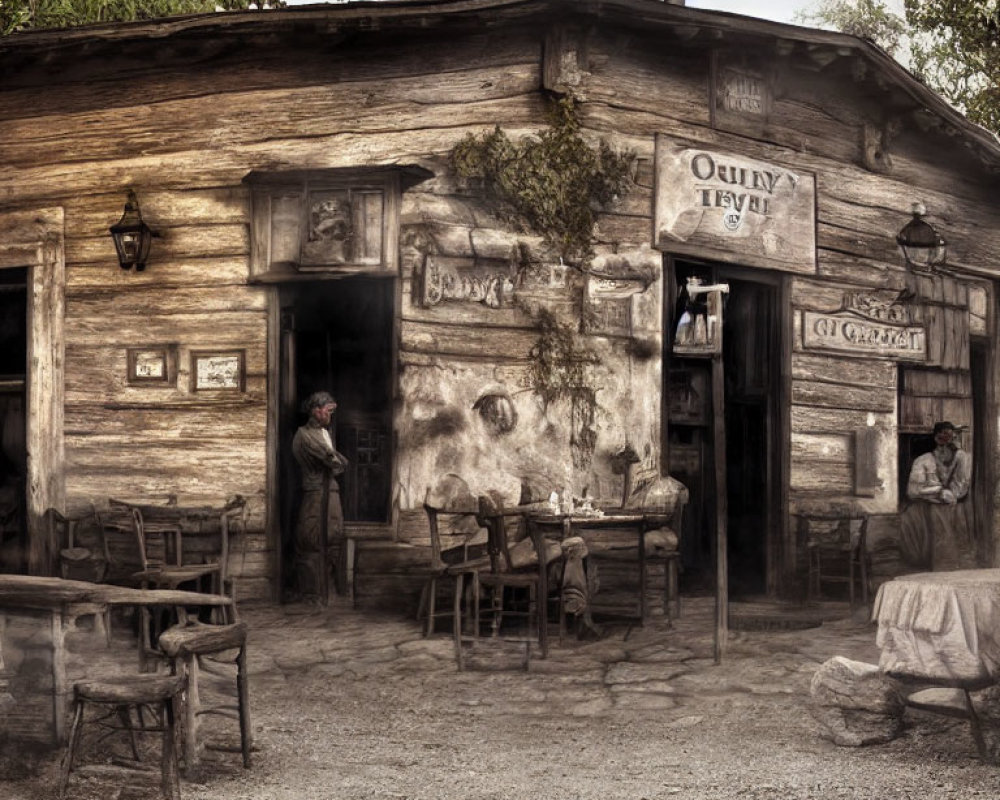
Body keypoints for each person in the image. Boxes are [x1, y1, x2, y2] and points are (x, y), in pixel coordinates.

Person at [292, 391, 349, 604]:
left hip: (330, 492)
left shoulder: (325, 433)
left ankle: (331, 590)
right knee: (312, 539)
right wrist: (336, 460)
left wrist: (337, 460)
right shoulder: (304, 435)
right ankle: (313, 592)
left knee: (334, 536)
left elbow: (339, 462)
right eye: (328, 411)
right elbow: (335, 462)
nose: (330, 415)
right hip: (315, 493)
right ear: (316, 410)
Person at [899, 421, 975, 572]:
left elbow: (962, 488)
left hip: (956, 512)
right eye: (943, 440)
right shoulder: (923, 461)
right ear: (936, 439)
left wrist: (960, 459)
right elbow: (912, 491)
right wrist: (939, 492)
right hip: (929, 511)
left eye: (952, 440)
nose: (948, 445)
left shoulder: (963, 458)